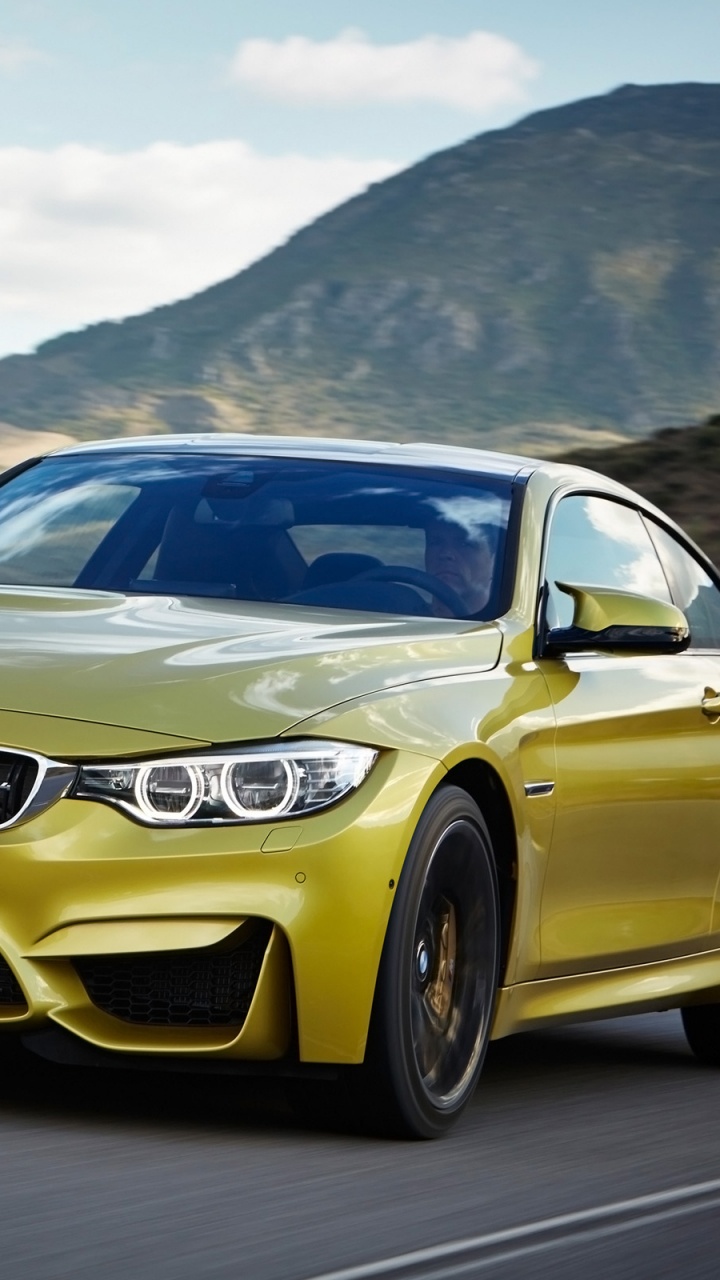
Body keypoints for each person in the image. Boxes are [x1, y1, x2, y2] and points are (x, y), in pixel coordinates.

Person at [424, 518, 494, 617]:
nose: (445, 554)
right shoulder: (404, 616)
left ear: (494, 561)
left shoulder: (510, 627)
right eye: (436, 543)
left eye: (465, 544)